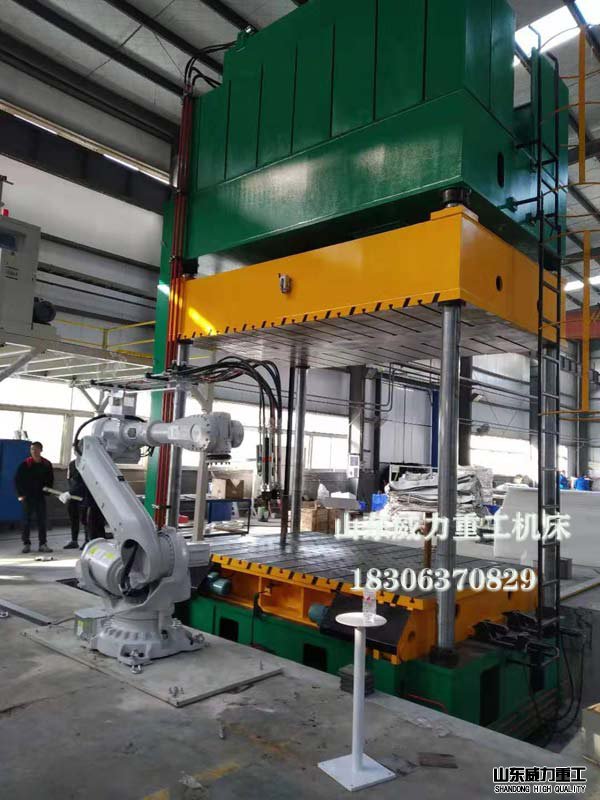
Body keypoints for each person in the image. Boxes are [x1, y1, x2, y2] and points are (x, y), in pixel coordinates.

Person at [14, 441, 54, 554]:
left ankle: (43, 544)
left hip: (40, 496)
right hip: (27, 497)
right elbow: (17, 480)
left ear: (41, 450)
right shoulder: (26, 464)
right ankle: (26, 544)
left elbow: (50, 479)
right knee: (26, 521)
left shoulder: (46, 464)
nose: (34, 451)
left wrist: (48, 490)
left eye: (36, 449)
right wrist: (20, 495)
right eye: (32, 449)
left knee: (42, 520)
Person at [64, 454, 85, 549]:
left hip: (85, 495)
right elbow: (69, 479)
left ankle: (87, 540)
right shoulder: (72, 464)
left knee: (85, 519)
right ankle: (74, 540)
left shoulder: (88, 463)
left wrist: (73, 491)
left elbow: (85, 482)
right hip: (73, 495)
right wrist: (70, 492)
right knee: (73, 518)